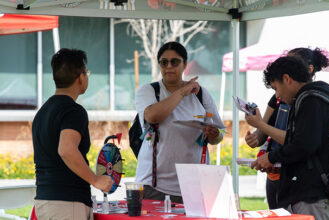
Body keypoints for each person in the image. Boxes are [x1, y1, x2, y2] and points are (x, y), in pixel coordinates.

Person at [251, 56, 329, 219]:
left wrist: (272, 157)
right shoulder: (313, 98)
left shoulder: (311, 100)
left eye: (276, 88)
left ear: (286, 79)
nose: (277, 96)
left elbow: (304, 145)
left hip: (311, 197)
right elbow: (303, 144)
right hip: (308, 195)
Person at [135, 41, 224, 203]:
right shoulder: (149, 91)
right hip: (154, 185)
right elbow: (153, 116)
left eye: (175, 62)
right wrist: (182, 91)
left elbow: (218, 136)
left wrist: (214, 134)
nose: (169, 66)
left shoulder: (201, 94)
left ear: (184, 65)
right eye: (164, 62)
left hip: (194, 184)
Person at [32, 48, 114, 219]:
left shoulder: (43, 112)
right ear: (80, 77)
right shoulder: (73, 111)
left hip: (44, 200)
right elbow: (67, 150)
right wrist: (96, 180)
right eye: (87, 73)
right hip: (68, 203)